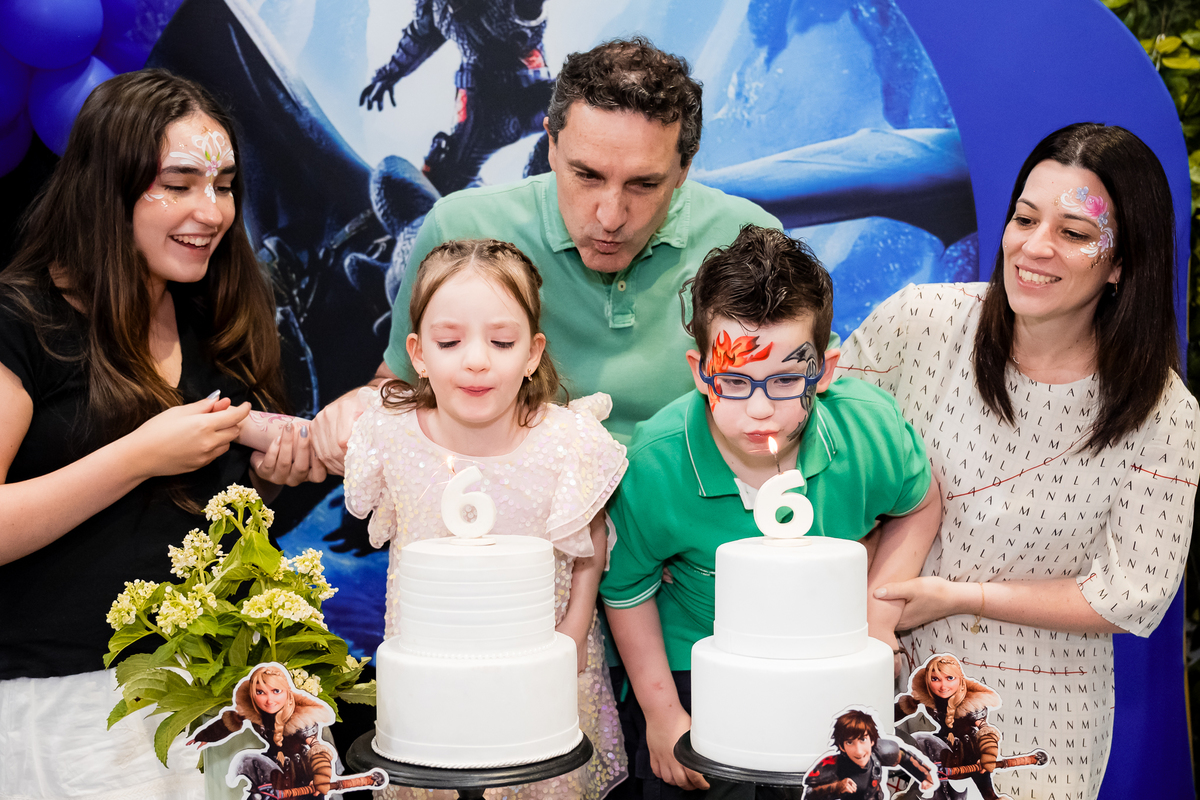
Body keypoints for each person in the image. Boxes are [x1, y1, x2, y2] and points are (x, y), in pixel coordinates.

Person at [837, 123, 1199, 800]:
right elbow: (825, 458)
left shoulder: (1163, 411)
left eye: (1074, 232)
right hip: (868, 686)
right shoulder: (920, 323)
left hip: (1039, 718)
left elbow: (1131, 592)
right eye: (1025, 219)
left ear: (1121, 263)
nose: (1035, 247)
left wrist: (961, 597)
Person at [0, 69, 311, 798]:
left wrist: (266, 484)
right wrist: (138, 456)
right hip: (68, 710)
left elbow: (204, 522)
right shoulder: (23, 320)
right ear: (105, 188)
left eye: (224, 185)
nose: (211, 210)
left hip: (211, 699)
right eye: (178, 184)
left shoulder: (218, 317)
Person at [311, 35, 781, 463]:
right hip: (507, 515)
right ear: (551, 145)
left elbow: (802, 396)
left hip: (694, 517)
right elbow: (401, 385)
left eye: (644, 184)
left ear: (684, 168)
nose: (610, 216)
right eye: (587, 175)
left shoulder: (750, 239)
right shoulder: (460, 227)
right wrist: (361, 406)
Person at [598, 225, 942, 798]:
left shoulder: (870, 430)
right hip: (697, 669)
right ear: (699, 371)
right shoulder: (656, 463)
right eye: (734, 381)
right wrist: (661, 714)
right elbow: (626, 588)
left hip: (830, 666)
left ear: (825, 371)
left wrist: (878, 613)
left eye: (785, 380)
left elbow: (919, 502)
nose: (759, 409)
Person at [342, 238, 628, 800]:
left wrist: (571, 635)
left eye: (501, 341)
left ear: (533, 353)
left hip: (543, 681)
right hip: (432, 694)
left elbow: (591, 543)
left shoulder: (567, 442)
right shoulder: (390, 435)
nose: (476, 360)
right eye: (450, 341)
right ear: (418, 353)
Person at [190, 663, 337, 798]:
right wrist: (206, 736)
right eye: (260, 692)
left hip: (300, 775)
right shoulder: (255, 712)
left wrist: (322, 776)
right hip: (271, 770)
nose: (269, 700)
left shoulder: (301, 718)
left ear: (287, 692)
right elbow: (232, 721)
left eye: (276, 691)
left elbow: (318, 749)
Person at [895, 655, 1004, 800]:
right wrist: (878, 722)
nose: (943, 686)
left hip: (969, 754)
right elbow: (895, 713)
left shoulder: (972, 704)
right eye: (935, 679)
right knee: (919, 742)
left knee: (989, 795)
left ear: (960, 679)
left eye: (950, 678)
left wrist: (988, 756)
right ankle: (920, 791)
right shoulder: (928, 696)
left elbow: (985, 731)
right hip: (941, 749)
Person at [803, 709, 934, 800]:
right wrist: (836, 787)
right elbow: (809, 793)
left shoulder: (882, 751)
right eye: (850, 743)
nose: (859, 751)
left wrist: (925, 776)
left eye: (862, 740)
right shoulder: (832, 764)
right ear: (842, 746)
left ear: (872, 740)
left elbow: (904, 757)